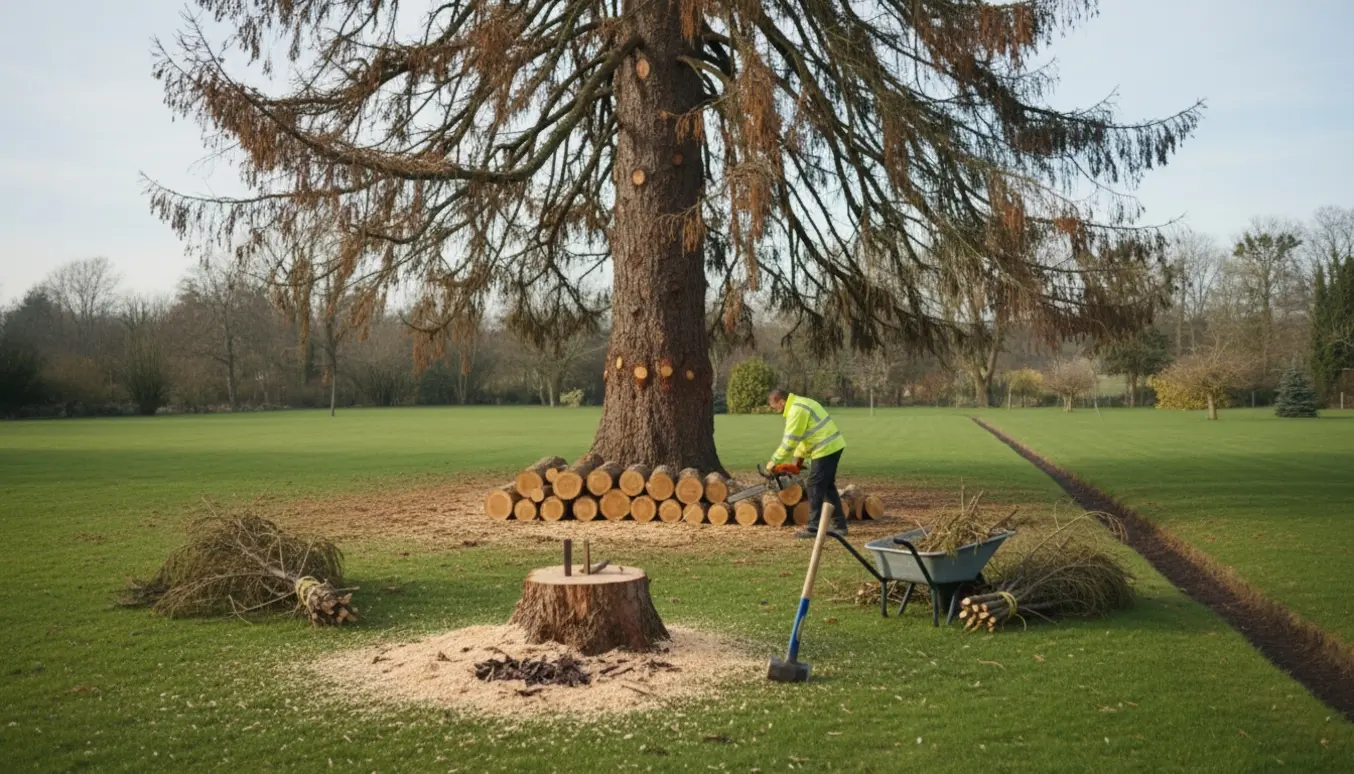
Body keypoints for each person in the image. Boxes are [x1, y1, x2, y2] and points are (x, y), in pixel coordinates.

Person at [765, 389, 847, 538]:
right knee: (827, 486)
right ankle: (840, 526)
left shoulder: (796, 410)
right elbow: (804, 437)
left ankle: (813, 528)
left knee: (814, 485)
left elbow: (790, 441)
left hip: (825, 448)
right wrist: (797, 461)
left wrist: (774, 461)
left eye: (774, 406)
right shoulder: (800, 403)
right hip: (832, 446)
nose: (774, 409)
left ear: (781, 402)